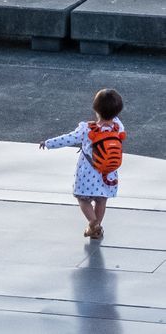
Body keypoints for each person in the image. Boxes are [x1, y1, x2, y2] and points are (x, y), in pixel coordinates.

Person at [40, 88, 125, 239]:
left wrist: (48, 143)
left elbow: (68, 139)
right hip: (108, 173)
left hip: (88, 173)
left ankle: (92, 222)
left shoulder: (86, 129)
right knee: (101, 200)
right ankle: (97, 226)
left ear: (95, 108)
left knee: (83, 199)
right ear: (118, 111)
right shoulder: (118, 127)